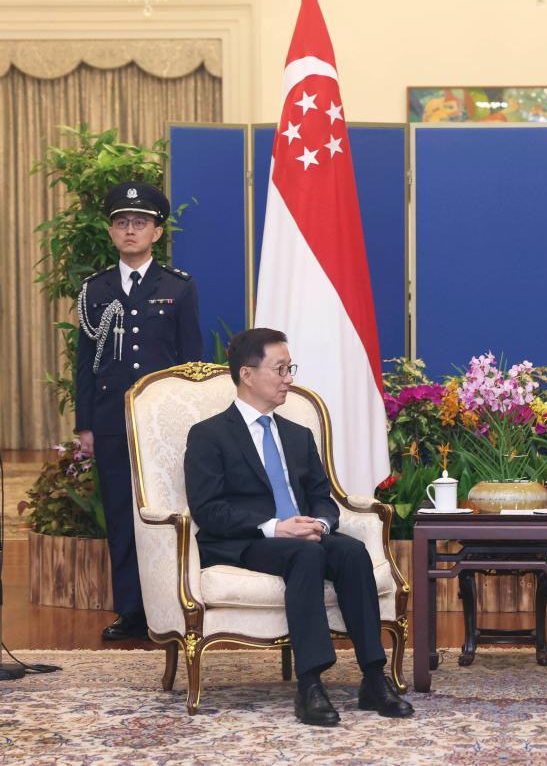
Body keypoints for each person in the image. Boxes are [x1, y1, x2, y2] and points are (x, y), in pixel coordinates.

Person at [183, 327, 413, 726]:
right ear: (247, 374)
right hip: (247, 540)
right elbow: (208, 510)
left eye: (291, 368)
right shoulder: (209, 435)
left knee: (351, 551)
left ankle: (374, 679)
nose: (289, 378)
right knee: (305, 555)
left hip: (304, 535)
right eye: (280, 369)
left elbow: (322, 497)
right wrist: (276, 527)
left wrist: (320, 523)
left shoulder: (297, 435)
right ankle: (310, 685)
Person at [76, 181, 202, 641]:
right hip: (112, 422)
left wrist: (190, 423)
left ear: (157, 232)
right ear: (111, 232)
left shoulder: (178, 287)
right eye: (122, 222)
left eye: (141, 222)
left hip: (164, 425)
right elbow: (84, 365)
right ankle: (131, 611)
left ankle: (172, 606)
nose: (131, 230)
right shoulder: (95, 289)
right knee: (121, 514)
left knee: (167, 514)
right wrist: (85, 426)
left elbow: (191, 361)